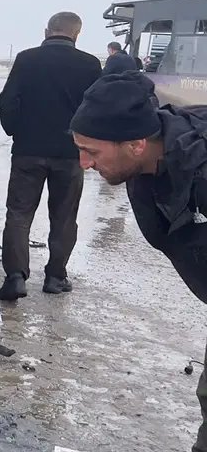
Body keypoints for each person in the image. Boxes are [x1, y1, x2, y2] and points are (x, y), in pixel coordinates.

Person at [70, 72, 207, 451]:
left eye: (92, 152)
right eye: (80, 148)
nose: (83, 163)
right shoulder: (144, 165)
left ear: (135, 145)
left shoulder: (200, 172)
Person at [0, 12, 101, 300]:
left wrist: (14, 130)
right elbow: (97, 108)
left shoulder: (27, 59)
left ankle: (15, 277)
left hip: (28, 150)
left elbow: (7, 99)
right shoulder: (90, 64)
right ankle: (55, 277)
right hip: (70, 154)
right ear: (77, 34)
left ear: (47, 31)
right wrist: (87, 144)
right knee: (65, 217)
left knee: (18, 214)